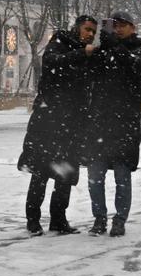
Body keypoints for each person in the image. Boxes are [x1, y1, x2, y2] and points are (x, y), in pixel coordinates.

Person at [17, 14, 97, 235]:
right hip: (49, 121)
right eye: (87, 29)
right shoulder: (60, 43)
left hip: (72, 124)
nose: (90, 34)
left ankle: (58, 219)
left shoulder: (87, 55)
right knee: (41, 172)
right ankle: (33, 219)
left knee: (65, 175)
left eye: (93, 32)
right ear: (77, 28)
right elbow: (53, 63)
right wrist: (82, 54)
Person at [81, 10, 141, 237]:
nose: (118, 29)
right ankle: (99, 218)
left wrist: (115, 48)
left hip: (124, 125)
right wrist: (99, 49)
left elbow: (133, 67)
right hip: (99, 123)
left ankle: (119, 219)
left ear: (132, 27)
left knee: (122, 177)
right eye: (115, 26)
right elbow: (90, 73)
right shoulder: (104, 50)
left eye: (122, 25)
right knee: (95, 177)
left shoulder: (139, 50)